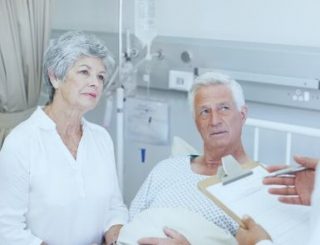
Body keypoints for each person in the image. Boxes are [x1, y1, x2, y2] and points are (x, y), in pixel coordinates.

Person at [0, 31, 128, 245]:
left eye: (100, 76)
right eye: (84, 72)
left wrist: (116, 230)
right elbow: (5, 229)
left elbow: (115, 207)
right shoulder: (22, 142)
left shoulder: (102, 139)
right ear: (55, 77)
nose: (95, 83)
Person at [129, 72, 252, 237]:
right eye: (205, 112)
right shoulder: (166, 169)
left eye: (224, 108)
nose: (214, 121)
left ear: (242, 115)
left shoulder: (259, 185)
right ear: (196, 122)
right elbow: (130, 224)